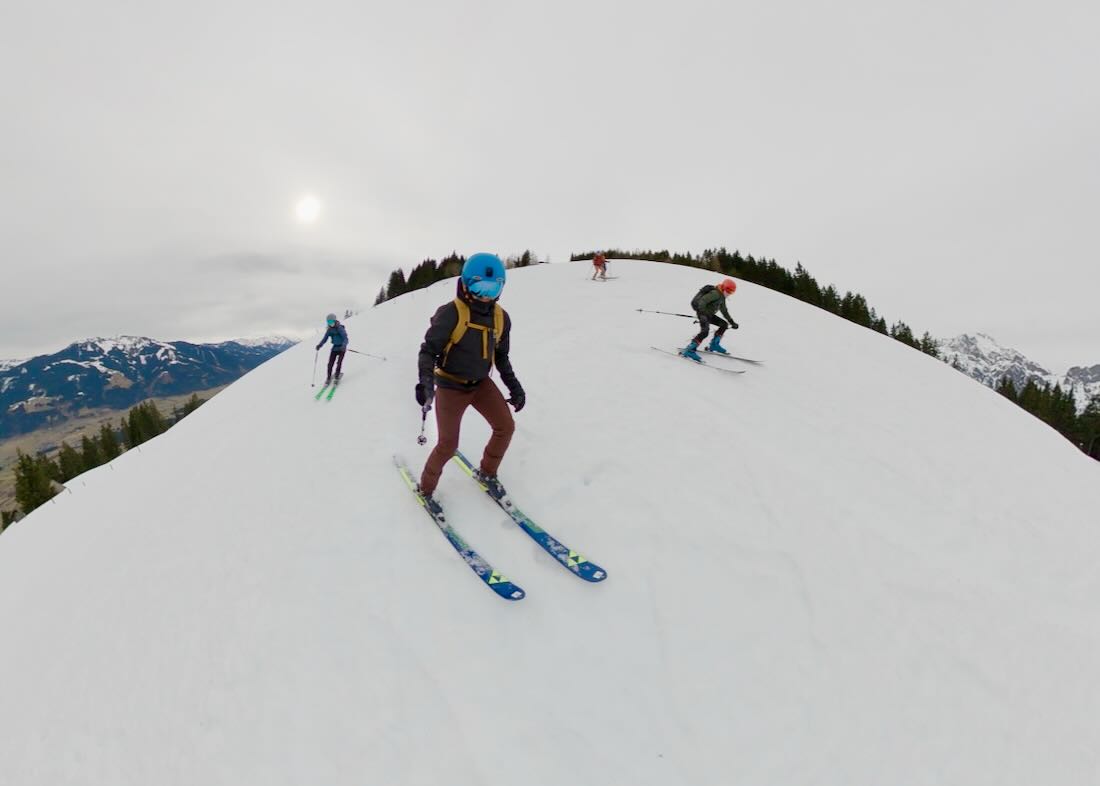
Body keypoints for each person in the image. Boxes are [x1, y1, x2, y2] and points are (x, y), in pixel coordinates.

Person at [416, 253, 525, 509]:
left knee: (505, 427)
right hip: (450, 385)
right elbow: (428, 351)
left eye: (493, 287)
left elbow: (501, 357)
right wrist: (426, 383)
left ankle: (487, 472)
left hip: (480, 384)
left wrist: (515, 387)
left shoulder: (501, 318)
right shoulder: (451, 313)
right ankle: (426, 489)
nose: (485, 294)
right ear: (465, 283)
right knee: (447, 445)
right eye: (479, 286)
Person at [680, 279, 739, 361]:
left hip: (709, 315)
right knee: (705, 331)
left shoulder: (722, 297)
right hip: (703, 313)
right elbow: (703, 301)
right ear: (724, 288)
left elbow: (724, 311)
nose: (729, 294)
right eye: (729, 291)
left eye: (732, 292)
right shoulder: (715, 293)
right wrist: (702, 314)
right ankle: (689, 350)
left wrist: (732, 322)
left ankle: (714, 345)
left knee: (724, 325)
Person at [316, 313, 348, 384]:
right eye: (328, 322)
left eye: (331, 321)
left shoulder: (340, 328)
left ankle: (336, 376)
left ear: (334, 320)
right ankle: (328, 377)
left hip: (342, 348)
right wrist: (319, 345)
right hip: (335, 348)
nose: (330, 323)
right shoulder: (329, 330)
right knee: (330, 364)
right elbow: (325, 339)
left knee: (339, 362)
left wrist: (344, 346)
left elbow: (345, 338)